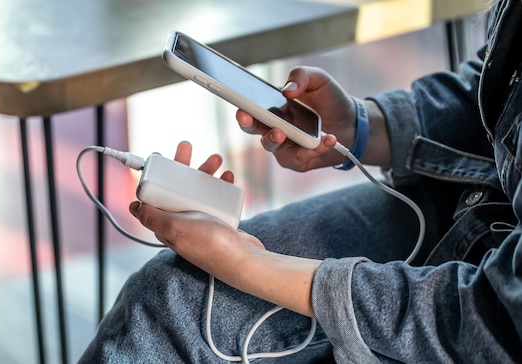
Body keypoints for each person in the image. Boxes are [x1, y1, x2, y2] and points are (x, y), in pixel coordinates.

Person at [79, 0, 522, 362]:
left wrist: (248, 264)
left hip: (485, 303)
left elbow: (499, 321)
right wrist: (359, 127)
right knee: (164, 295)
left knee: (174, 310)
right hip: (477, 201)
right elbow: (494, 82)